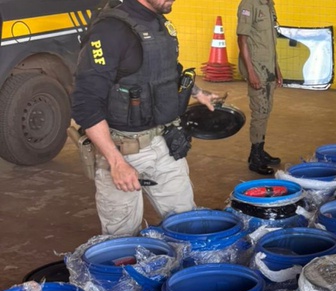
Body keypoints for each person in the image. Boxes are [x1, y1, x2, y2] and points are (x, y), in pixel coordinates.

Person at [71, 0, 218, 236]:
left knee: (189, 224)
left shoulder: (158, 22)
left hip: (166, 143)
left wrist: (198, 93)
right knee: (122, 238)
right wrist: (116, 163)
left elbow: (168, 71)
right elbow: (85, 103)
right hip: (122, 149)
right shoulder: (109, 30)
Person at [237, 0, 282, 175]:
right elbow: (242, 40)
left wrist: (277, 69)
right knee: (259, 112)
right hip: (257, 68)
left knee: (266, 110)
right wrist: (251, 72)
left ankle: (259, 150)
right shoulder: (249, 5)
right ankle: (255, 158)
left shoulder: (269, 4)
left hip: (268, 67)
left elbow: (270, 42)